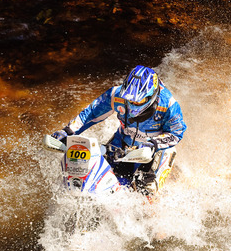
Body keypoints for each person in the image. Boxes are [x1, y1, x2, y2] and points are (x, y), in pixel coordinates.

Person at [51, 65, 187, 194]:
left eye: (138, 102)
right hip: (121, 145)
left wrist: (153, 144)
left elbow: (176, 133)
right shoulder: (116, 94)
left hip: (154, 151)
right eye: (130, 100)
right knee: (102, 182)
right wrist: (67, 131)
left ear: (151, 96)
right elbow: (91, 113)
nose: (133, 104)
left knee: (145, 190)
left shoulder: (169, 105)